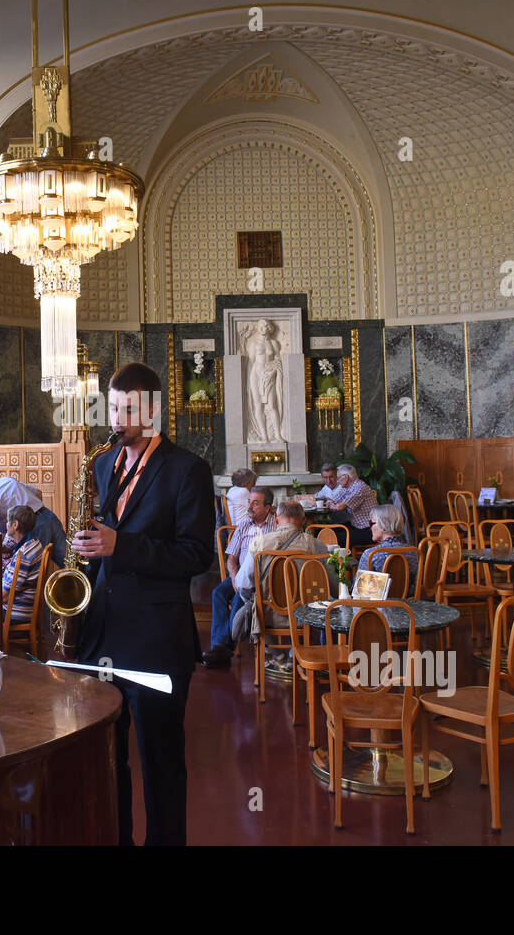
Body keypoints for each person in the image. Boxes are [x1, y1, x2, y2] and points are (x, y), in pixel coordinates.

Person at [71, 362, 214, 846]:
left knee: (161, 762)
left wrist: (120, 546)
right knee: (107, 760)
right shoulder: (102, 464)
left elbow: (196, 555)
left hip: (156, 642)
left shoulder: (188, 470)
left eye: (127, 409)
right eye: (111, 408)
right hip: (102, 634)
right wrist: (86, 555)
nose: (115, 419)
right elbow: (105, 539)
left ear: (153, 410)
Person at [229, 501, 325, 667]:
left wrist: (254, 601)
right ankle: (293, 654)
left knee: (256, 604)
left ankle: (277, 654)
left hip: (267, 614)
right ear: (303, 521)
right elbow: (325, 584)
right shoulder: (315, 545)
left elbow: (242, 583)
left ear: (276, 519)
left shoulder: (259, 544)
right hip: (303, 616)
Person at [203, 485, 276, 669]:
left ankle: (223, 648)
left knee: (238, 598)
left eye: (256, 503)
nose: (250, 506)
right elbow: (232, 559)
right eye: (249, 502)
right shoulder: (244, 524)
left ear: (268, 507)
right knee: (218, 593)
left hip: (261, 578)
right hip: (240, 573)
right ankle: (220, 645)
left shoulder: (275, 526)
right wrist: (234, 577)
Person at [1, 505, 46, 624]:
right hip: (25, 608)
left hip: (16, 614)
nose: (6, 525)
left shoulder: (23, 554)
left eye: (7, 521)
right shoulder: (34, 543)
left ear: (15, 525)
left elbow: (3, 597)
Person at [357, 504, 418, 587]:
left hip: (380, 600)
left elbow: (359, 590)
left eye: (371, 523)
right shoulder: (414, 552)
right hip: (409, 599)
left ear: (383, 526)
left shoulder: (371, 554)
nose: (369, 527)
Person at [327, 463, 378, 549]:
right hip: (357, 526)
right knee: (326, 532)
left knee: (334, 537)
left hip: (369, 530)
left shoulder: (360, 487)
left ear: (346, 477)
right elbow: (332, 500)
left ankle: (343, 560)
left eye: (338, 478)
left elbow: (340, 507)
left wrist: (334, 505)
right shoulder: (347, 487)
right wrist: (332, 503)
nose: (337, 481)